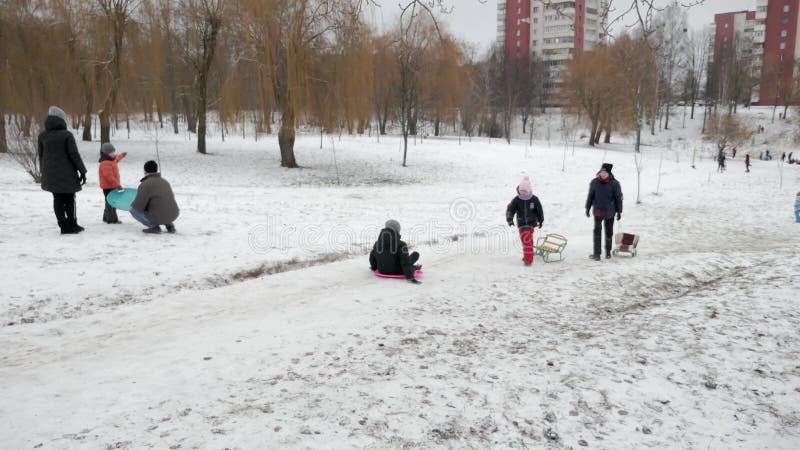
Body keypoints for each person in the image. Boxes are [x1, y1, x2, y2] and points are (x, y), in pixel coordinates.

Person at [38, 106, 87, 234]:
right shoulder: (66, 135)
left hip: (50, 174)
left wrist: (43, 172)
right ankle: (72, 224)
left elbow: (41, 156)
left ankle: (64, 226)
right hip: (68, 174)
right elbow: (74, 155)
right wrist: (82, 171)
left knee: (57, 199)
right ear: (62, 120)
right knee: (70, 198)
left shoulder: (42, 136)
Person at [585, 163, 623, 261]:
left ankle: (608, 252)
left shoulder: (615, 184)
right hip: (598, 211)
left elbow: (618, 198)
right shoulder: (594, 182)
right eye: (601, 172)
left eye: (605, 172)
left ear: (609, 173)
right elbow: (590, 196)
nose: (602, 174)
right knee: (597, 232)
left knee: (609, 232)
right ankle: (597, 254)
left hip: (610, 212)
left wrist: (619, 211)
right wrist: (588, 208)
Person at [130, 160, 179, 234]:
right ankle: (170, 225)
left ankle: (154, 227)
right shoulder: (165, 181)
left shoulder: (145, 185)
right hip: (173, 214)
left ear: (145, 171)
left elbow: (138, 206)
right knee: (162, 204)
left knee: (133, 210)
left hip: (158, 215)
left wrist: (132, 204)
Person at [506, 175, 544, 266]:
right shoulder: (517, 200)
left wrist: (541, 220)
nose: (523, 193)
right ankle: (527, 256)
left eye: (525, 191)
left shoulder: (534, 199)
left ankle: (528, 260)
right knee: (525, 240)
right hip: (521, 223)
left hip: (531, 224)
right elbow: (510, 209)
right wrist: (510, 219)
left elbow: (539, 210)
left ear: (528, 190)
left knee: (527, 240)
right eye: (521, 191)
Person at [369, 219, 422, 284]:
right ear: (397, 230)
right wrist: (410, 277)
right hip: (398, 271)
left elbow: (372, 257)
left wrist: (374, 268)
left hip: (382, 270)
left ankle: (413, 267)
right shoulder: (401, 244)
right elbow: (405, 262)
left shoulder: (377, 243)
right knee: (415, 255)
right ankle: (413, 267)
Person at [98, 143, 127, 224]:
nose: (114, 154)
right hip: (108, 187)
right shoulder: (105, 163)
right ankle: (111, 219)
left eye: (114, 152)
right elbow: (109, 177)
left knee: (109, 201)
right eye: (112, 153)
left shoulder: (111, 160)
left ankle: (106, 217)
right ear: (106, 154)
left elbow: (116, 159)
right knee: (111, 203)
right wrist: (117, 185)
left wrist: (121, 155)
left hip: (112, 186)